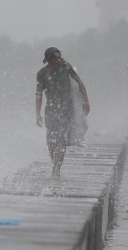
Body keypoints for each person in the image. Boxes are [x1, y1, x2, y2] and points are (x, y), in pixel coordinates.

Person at [35, 46, 90, 177]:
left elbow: (79, 82)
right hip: (51, 111)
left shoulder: (66, 67)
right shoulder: (42, 74)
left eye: (60, 58)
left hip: (66, 110)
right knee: (51, 141)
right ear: (49, 60)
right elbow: (39, 95)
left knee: (61, 139)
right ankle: (55, 163)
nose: (59, 60)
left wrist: (86, 101)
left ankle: (56, 169)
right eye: (56, 59)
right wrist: (37, 114)